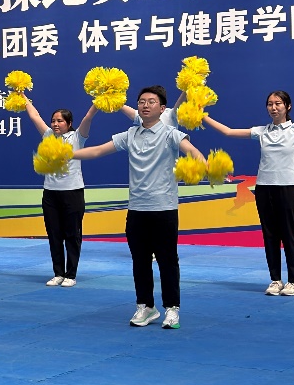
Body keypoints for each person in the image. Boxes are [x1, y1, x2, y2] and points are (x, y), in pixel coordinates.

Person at [73, 86, 205, 330]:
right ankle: (146, 306)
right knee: (140, 260)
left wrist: (201, 166)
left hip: (164, 208)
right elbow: (98, 150)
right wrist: (67, 155)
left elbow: (195, 154)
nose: (145, 105)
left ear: (162, 109)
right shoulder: (130, 134)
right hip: (136, 209)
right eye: (142, 101)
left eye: (151, 102)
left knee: (167, 261)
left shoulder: (171, 134)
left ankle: (172, 308)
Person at [204, 91, 294, 297]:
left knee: (289, 234)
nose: (273, 107)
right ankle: (275, 280)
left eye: (278, 103)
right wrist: (202, 116)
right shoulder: (261, 132)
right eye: (270, 104)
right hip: (264, 189)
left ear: (288, 106)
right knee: (269, 235)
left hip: (288, 188)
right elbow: (228, 132)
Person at [25, 97, 99, 287]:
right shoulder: (48, 135)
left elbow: (88, 118)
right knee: (54, 235)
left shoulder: (78, 137)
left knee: (72, 235)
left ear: (69, 123)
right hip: (50, 194)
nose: (56, 124)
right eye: (53, 121)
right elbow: (34, 116)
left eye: (60, 121)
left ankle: (71, 274)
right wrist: (22, 95)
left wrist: (99, 101)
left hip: (72, 193)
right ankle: (58, 273)